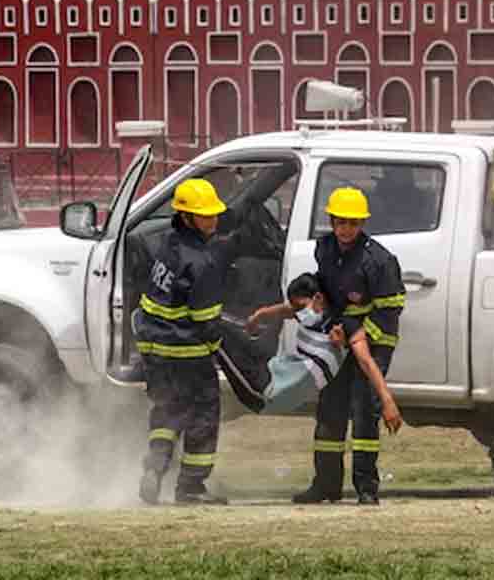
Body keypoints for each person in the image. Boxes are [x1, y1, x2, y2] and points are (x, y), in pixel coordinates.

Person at [291, 186, 405, 505]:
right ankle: (325, 486)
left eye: (353, 224)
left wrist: (358, 334)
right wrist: (325, 314)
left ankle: (366, 489)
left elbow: (390, 309)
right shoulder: (325, 249)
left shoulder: (379, 260)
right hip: (340, 338)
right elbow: (326, 291)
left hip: (374, 339)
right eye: (340, 222)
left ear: (362, 224)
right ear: (331, 221)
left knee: (365, 412)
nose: (346, 230)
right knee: (330, 410)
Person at [135, 178, 231, 505]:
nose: (214, 220)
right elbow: (205, 319)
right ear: (187, 217)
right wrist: (226, 344)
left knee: (167, 412)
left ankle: (156, 466)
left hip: (156, 351)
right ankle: (190, 487)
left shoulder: (167, 245)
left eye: (215, 214)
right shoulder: (202, 262)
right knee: (203, 414)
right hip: (188, 353)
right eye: (206, 216)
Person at [247, 272, 403, 426]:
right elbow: (284, 310)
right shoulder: (304, 311)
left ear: (319, 298)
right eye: (295, 307)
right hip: (284, 370)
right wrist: (259, 316)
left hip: (297, 382)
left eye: (300, 307)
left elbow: (367, 362)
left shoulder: (344, 324)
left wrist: (387, 401)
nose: (299, 313)